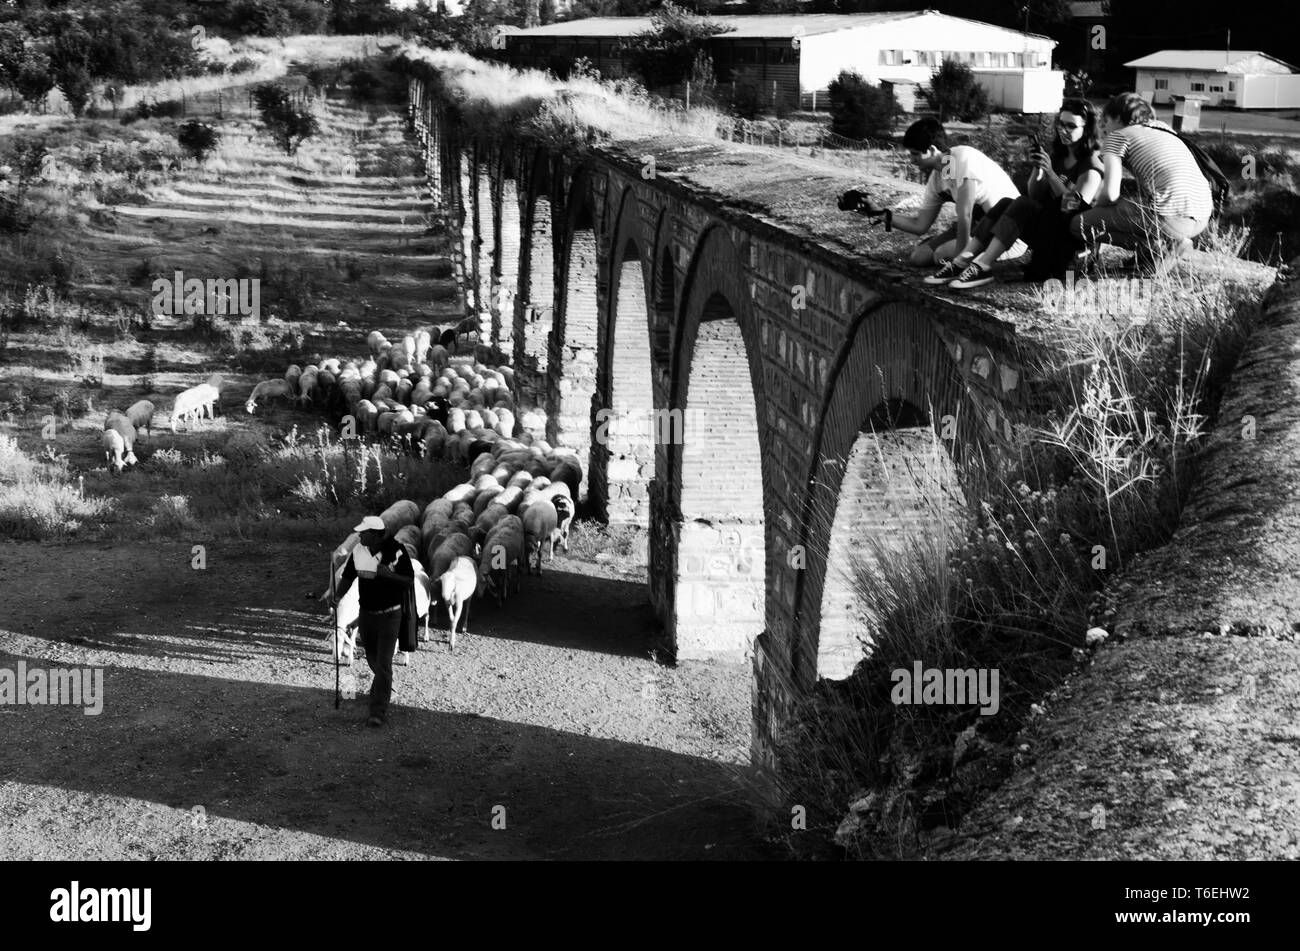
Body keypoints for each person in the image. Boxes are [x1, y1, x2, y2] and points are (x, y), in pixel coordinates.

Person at [923, 99, 1104, 289]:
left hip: (1069, 241)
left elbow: (1073, 209)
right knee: (1006, 203)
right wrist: (1039, 170)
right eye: (1061, 124)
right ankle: (962, 261)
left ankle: (983, 264)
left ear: (1087, 128)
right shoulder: (1060, 155)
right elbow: (1034, 194)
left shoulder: (1091, 165)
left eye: (1071, 126)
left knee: (1023, 204)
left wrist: (1051, 174)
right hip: (1049, 228)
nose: (1064, 130)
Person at [1067, 92, 1213, 273]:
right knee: (1133, 203)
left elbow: (1110, 194)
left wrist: (1096, 208)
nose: (1104, 127)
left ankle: (1154, 248)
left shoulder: (1117, 137)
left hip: (1170, 219)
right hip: (1202, 217)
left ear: (1118, 117)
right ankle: (1159, 252)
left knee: (1078, 225)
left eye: (1106, 121)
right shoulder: (1163, 128)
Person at [851, 118, 1022, 268]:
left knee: (942, 254)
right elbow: (920, 225)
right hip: (978, 228)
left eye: (915, 154)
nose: (911, 160)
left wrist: (960, 259)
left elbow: (965, 215)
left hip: (1004, 235)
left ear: (932, 150)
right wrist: (877, 212)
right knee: (918, 258)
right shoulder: (939, 176)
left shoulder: (962, 159)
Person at [333, 515, 415, 727]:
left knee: (384, 663)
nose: (359, 535)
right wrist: (337, 596)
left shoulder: (397, 552)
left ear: (376, 536)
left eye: (364, 533)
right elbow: (349, 577)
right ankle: (385, 687)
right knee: (372, 658)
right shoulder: (358, 551)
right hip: (367, 614)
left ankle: (377, 710)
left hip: (390, 615)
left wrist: (387, 574)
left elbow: (408, 581)